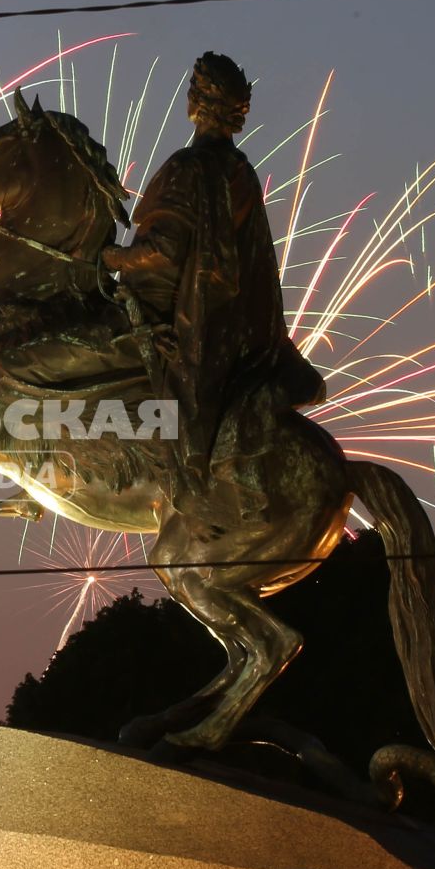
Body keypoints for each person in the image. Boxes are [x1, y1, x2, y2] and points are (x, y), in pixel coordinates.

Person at [102, 52, 324, 525]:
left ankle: (185, 482)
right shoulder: (239, 171)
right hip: (236, 325)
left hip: (187, 318)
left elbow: (164, 249)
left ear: (196, 105)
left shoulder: (190, 166)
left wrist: (109, 257)